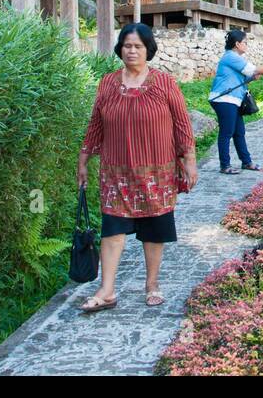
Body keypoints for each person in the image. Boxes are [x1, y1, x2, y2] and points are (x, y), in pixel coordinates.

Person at [77, 23, 197, 313]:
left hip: (157, 170)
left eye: (138, 46)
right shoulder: (107, 83)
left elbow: (181, 123)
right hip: (116, 171)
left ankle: (152, 284)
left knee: (155, 230)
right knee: (112, 229)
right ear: (120, 48)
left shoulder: (164, 83)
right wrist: (84, 158)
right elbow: (96, 123)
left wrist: (189, 160)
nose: (131, 51)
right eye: (127, 45)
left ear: (148, 50)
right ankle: (107, 291)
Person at [209, 29, 263, 174]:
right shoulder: (231, 57)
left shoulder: (233, 57)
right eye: (245, 42)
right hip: (224, 99)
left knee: (239, 132)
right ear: (237, 44)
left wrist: (253, 77)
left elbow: (244, 77)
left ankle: (246, 162)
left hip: (233, 99)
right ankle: (225, 165)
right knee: (226, 132)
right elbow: (257, 70)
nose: (247, 45)